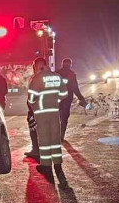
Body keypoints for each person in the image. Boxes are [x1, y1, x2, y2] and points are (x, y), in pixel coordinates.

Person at [27, 57, 70, 189]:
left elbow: (31, 98)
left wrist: (36, 104)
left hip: (41, 113)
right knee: (55, 139)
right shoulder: (57, 77)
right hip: (54, 111)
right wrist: (54, 99)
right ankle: (58, 166)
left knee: (44, 141)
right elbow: (64, 94)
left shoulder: (37, 78)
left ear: (37, 66)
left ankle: (46, 167)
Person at [56, 58, 88, 140]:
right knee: (64, 117)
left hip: (58, 98)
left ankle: (58, 135)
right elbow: (75, 88)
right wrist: (81, 98)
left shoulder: (57, 73)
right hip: (66, 98)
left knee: (58, 117)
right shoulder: (71, 74)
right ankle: (61, 136)